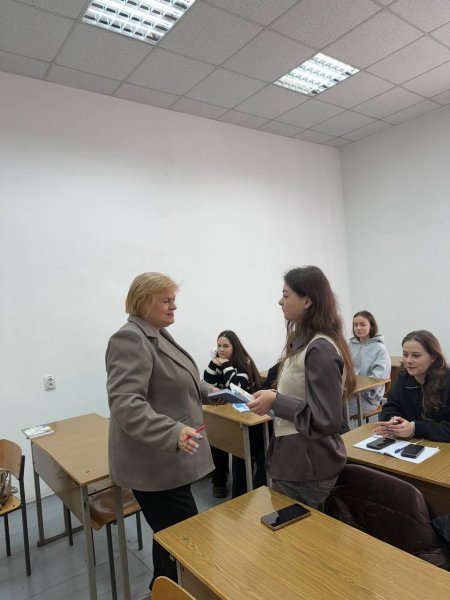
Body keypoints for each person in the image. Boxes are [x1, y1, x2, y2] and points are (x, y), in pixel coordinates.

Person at [106, 272, 214, 589]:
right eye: (166, 301)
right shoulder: (129, 339)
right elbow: (126, 403)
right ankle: (170, 590)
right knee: (186, 539)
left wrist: (212, 391)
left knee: (170, 538)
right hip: (153, 465)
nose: (174, 307)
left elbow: (178, 379)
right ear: (143, 303)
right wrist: (173, 432)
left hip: (168, 463)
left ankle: (162, 588)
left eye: (174, 300)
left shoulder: (156, 333)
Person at [248, 266, 356, 510]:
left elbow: (326, 418)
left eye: (286, 295)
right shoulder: (305, 342)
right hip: (297, 456)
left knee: (294, 532)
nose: (280, 301)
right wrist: (275, 397)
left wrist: (276, 401)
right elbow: (301, 396)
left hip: (307, 464)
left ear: (307, 301)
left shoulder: (320, 349)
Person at [203, 330, 264, 498]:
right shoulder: (218, 361)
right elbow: (207, 382)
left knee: (235, 446)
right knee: (216, 439)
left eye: (225, 346)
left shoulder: (244, 363)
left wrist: (225, 365)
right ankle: (219, 481)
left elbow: (235, 387)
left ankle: (241, 490)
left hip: (248, 415)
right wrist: (213, 363)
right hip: (226, 412)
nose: (221, 350)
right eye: (219, 346)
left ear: (234, 347)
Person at [374, 330, 450, 442]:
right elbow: (390, 407)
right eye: (405, 355)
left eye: (416, 355)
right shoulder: (404, 376)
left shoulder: (447, 380)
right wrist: (395, 422)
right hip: (412, 443)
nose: (408, 360)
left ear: (433, 357)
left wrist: (415, 428)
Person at [348, 310, 391, 415]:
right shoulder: (351, 345)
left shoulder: (379, 348)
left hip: (369, 397)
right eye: (355, 325)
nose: (358, 328)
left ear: (371, 326)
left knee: (340, 410)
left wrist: (357, 388)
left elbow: (377, 378)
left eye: (362, 324)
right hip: (351, 392)